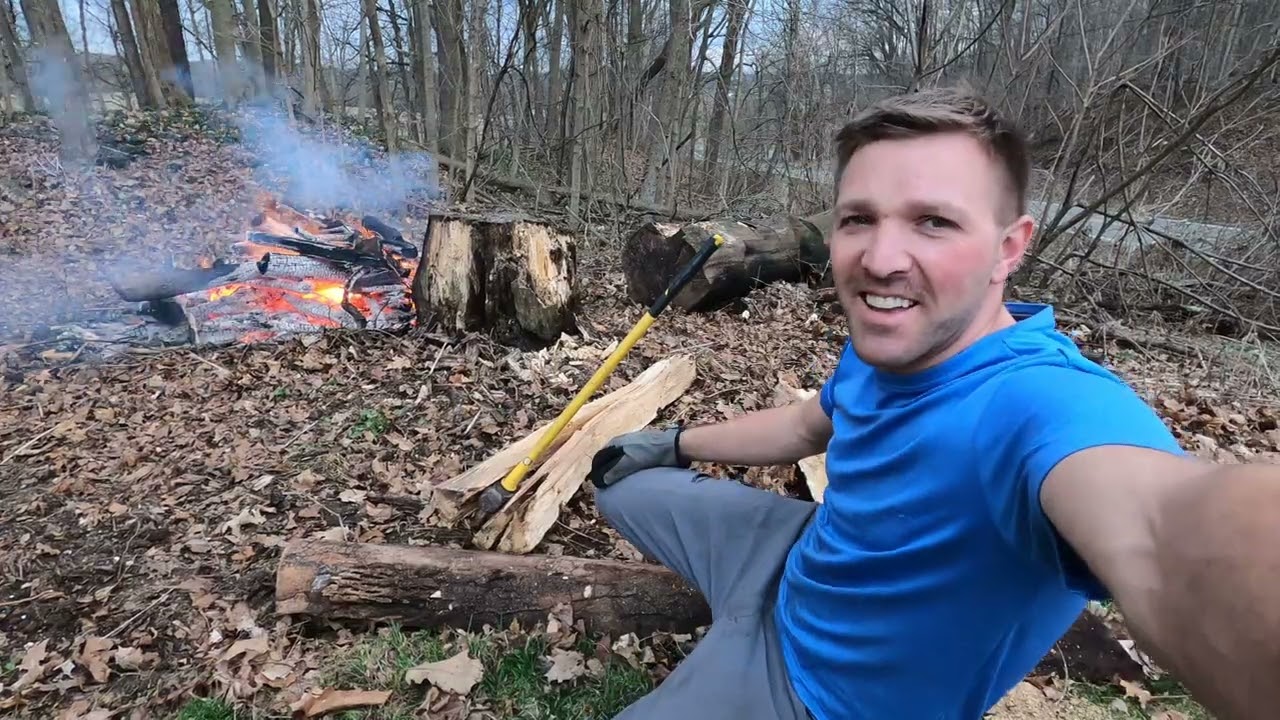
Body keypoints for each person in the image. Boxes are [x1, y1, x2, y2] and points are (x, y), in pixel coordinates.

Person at [586, 86, 1280, 720]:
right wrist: (673, 441)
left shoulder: (1040, 404)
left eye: (933, 223)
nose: (882, 258)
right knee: (622, 487)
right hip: (792, 558)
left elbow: (1167, 533)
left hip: (807, 692)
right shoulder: (892, 339)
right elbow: (807, 424)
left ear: (1010, 248)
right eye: (859, 218)